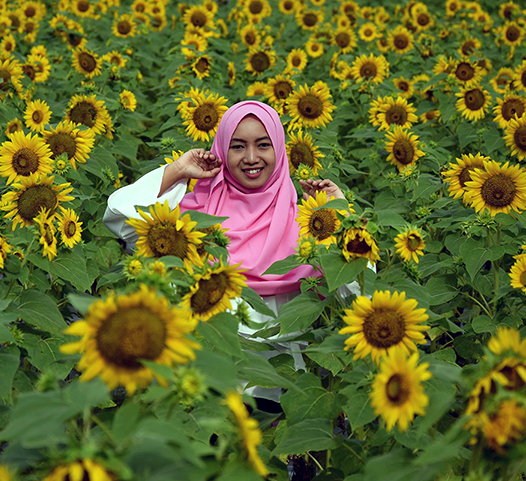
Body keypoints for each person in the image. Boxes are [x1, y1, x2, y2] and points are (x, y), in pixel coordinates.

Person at [103, 100, 351, 405]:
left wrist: (341, 218)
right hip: (200, 387)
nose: (251, 158)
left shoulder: (305, 226)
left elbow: (353, 289)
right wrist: (178, 170)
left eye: (263, 145)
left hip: (280, 389)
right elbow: (120, 217)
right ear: (221, 150)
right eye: (237, 146)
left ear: (280, 151)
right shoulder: (195, 216)